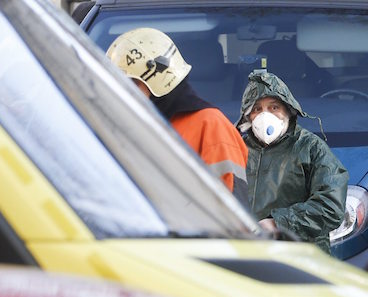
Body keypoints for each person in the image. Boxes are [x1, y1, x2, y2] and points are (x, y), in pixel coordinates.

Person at [105, 28, 249, 206]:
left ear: (156, 80)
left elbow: (232, 213)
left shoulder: (210, 125)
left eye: (131, 83)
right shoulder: (123, 126)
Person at [236, 71, 348, 253]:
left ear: (288, 109)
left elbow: (331, 207)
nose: (265, 116)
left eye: (274, 108)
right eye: (257, 109)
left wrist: (278, 223)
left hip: (301, 260)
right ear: (248, 116)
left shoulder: (311, 148)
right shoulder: (237, 149)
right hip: (249, 257)